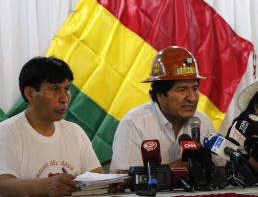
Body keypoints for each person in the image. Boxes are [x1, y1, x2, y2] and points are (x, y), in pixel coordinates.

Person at [109, 46, 225, 192]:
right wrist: (179, 167)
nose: (192, 98)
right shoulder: (134, 122)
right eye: (182, 90)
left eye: (195, 89)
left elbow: (222, 171)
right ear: (159, 94)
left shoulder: (202, 121)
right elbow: (126, 180)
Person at [0, 56, 104, 197]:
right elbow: (3, 185)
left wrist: (113, 182)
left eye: (66, 89)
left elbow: (96, 176)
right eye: (55, 89)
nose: (64, 98)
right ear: (29, 93)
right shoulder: (7, 132)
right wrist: (45, 186)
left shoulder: (75, 131)